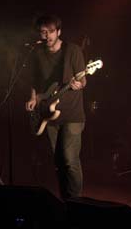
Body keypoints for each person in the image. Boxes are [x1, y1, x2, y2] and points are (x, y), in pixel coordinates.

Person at [25, 14, 87, 200]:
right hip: (48, 114)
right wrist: (33, 98)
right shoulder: (37, 53)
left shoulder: (72, 51)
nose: (47, 36)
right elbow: (35, 80)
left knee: (70, 160)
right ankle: (65, 201)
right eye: (43, 32)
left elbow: (82, 79)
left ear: (59, 31)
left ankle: (76, 203)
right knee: (58, 162)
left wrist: (79, 84)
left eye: (51, 31)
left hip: (72, 114)